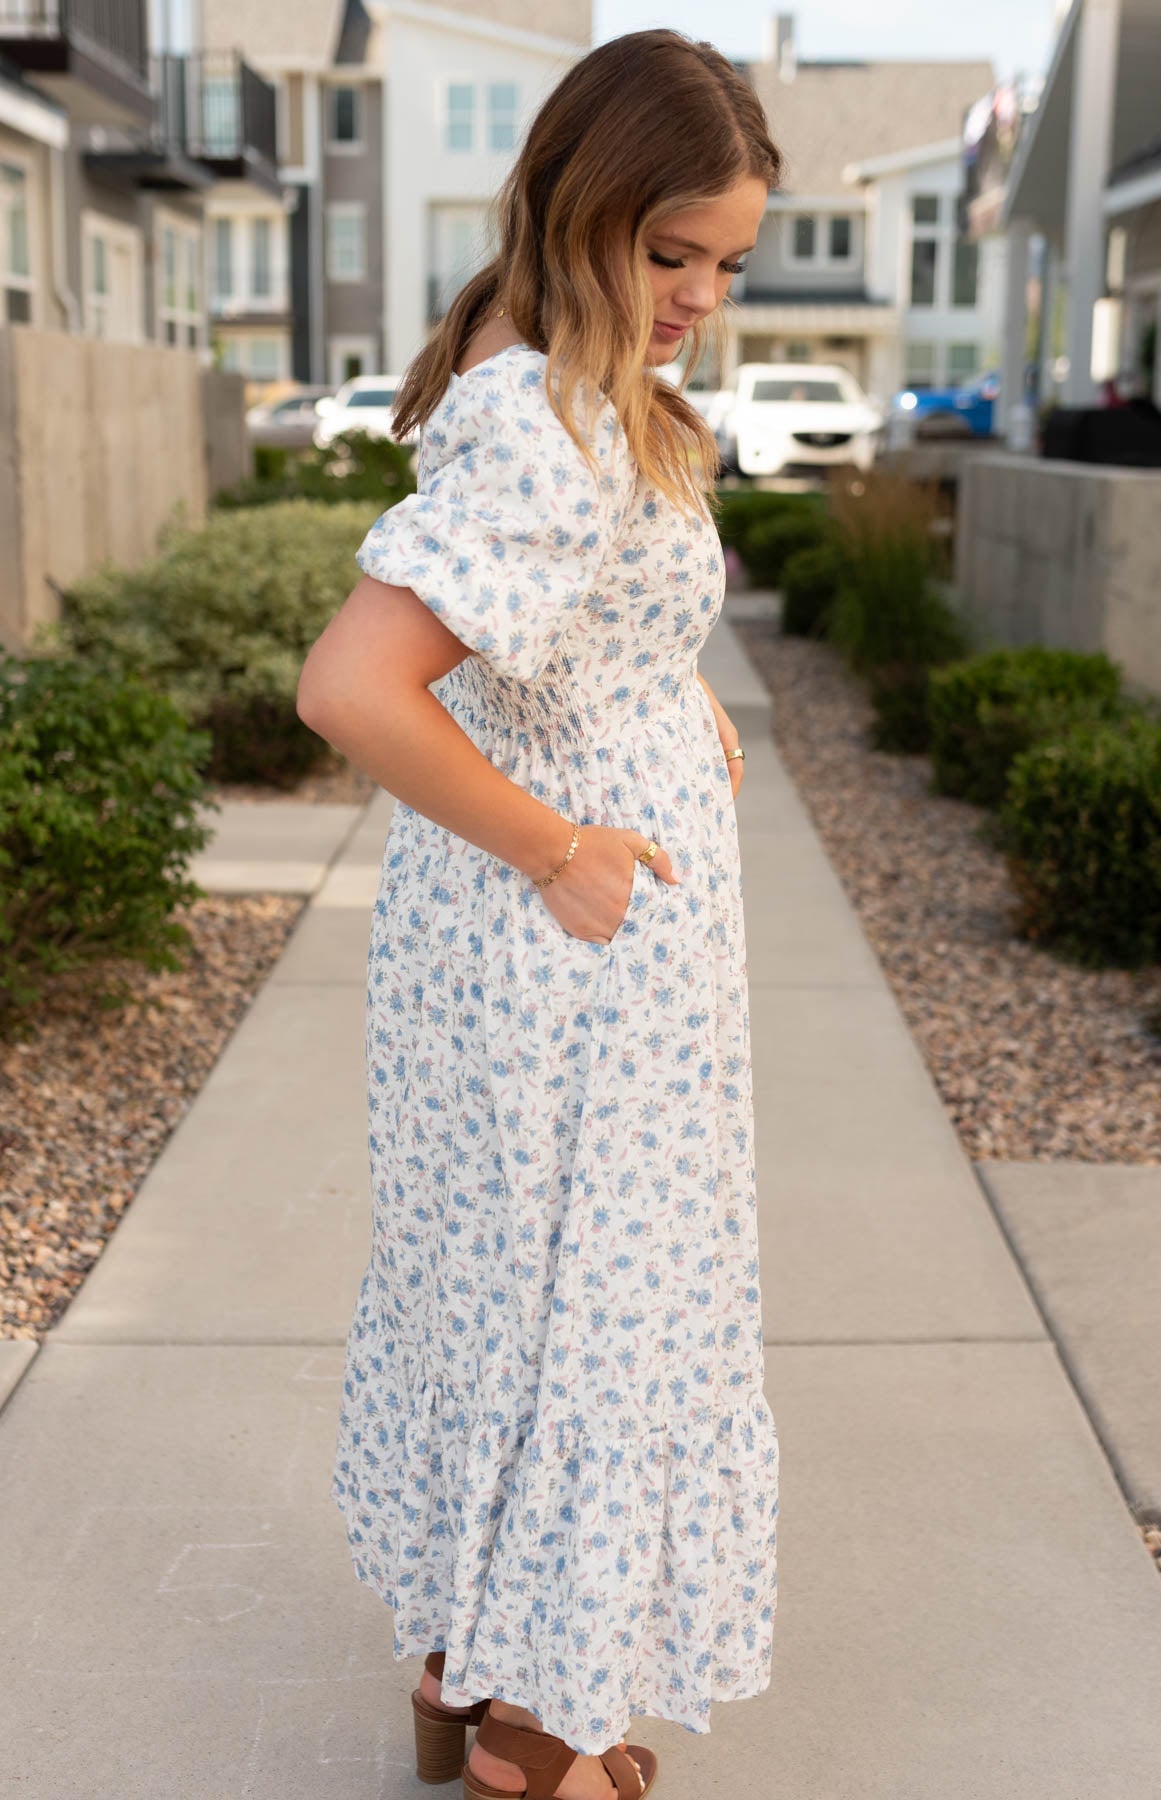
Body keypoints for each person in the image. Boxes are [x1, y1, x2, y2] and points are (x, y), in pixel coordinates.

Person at [296, 29, 782, 1800]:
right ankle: (540, 1737)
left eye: (726, 263)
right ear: (581, 211)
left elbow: (543, 622)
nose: (698, 297)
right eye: (668, 253)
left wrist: (662, 682)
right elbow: (351, 687)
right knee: (600, 1315)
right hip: (571, 955)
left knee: (499, 1288)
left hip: (512, 949)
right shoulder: (556, 426)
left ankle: (466, 1659)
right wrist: (563, 845)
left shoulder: (527, 366)